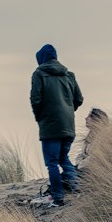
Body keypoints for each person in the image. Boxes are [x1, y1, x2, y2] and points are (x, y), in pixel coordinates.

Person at [29, 43, 84, 206]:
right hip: (68, 124)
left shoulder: (39, 74)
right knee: (63, 158)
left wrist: (40, 117)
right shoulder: (69, 75)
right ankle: (78, 189)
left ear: (41, 59)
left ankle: (58, 197)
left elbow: (35, 99)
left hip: (50, 125)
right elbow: (79, 99)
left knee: (52, 162)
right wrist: (68, 111)